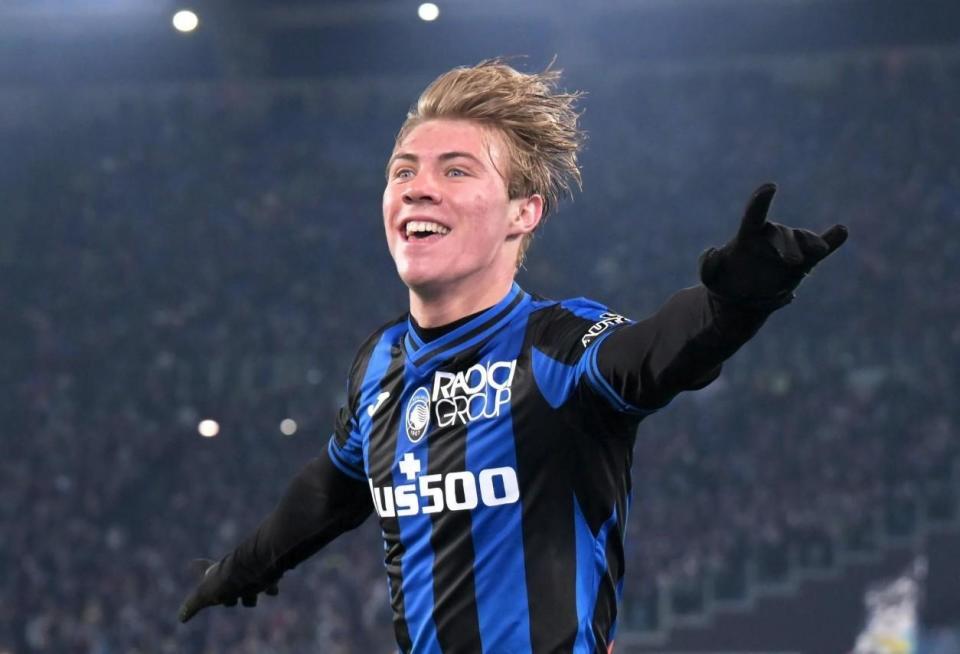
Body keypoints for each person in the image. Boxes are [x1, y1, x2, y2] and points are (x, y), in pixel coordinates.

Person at [178, 59, 847, 653]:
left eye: (456, 170)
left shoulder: (556, 346)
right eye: (403, 170)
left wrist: (732, 306)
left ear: (523, 213)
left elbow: (652, 355)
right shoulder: (378, 363)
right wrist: (241, 569)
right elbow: (333, 487)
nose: (416, 187)